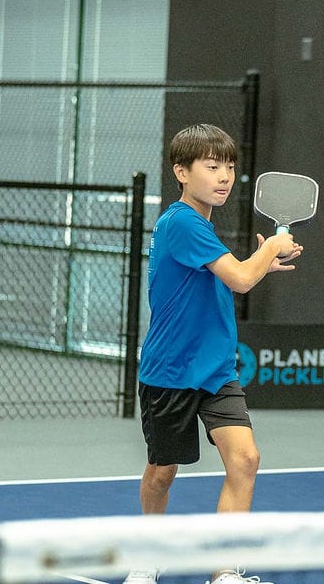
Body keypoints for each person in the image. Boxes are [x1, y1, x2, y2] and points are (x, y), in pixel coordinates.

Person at [124, 123, 303, 584]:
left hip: (216, 368)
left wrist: (265, 261)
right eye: (212, 166)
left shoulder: (200, 224)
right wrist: (269, 253)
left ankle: (225, 569)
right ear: (181, 172)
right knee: (163, 472)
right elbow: (241, 279)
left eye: (229, 167)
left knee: (245, 459)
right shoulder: (182, 221)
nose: (224, 176)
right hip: (171, 370)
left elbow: (233, 277)